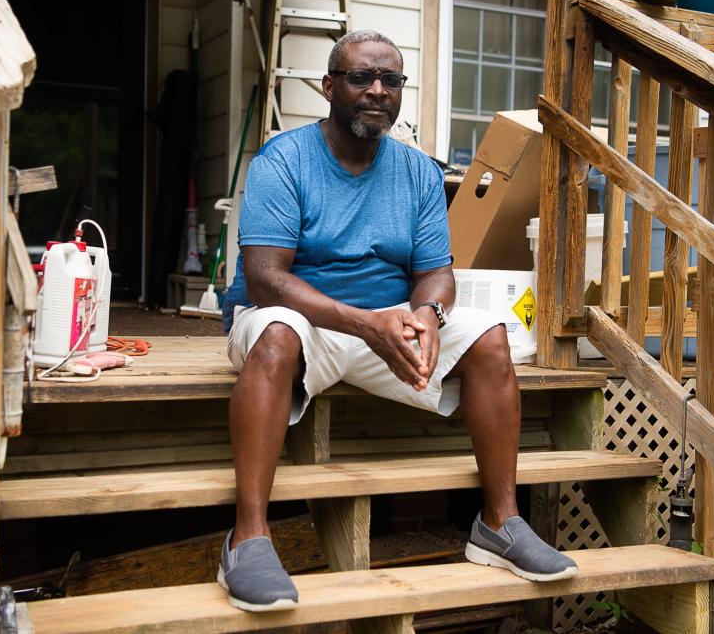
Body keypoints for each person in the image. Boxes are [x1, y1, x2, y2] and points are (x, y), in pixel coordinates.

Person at [217, 30, 577, 613]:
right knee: (276, 333)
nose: (378, 91)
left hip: (386, 326)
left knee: (489, 335)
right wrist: (366, 325)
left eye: (391, 81)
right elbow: (265, 278)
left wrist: (429, 317)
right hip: (300, 320)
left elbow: (437, 274)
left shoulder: (417, 172)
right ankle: (249, 536)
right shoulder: (283, 159)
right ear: (330, 87)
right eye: (362, 78)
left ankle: (499, 524)